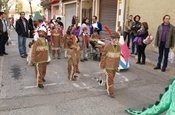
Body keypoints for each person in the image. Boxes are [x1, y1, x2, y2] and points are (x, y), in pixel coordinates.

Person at [100, 32, 121, 98]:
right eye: (113, 39)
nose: (115, 41)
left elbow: (118, 57)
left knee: (111, 78)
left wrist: (118, 66)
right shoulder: (107, 47)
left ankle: (107, 84)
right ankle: (111, 92)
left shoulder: (119, 47)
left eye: (116, 39)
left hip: (114, 66)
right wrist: (102, 65)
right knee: (110, 79)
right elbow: (103, 56)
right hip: (108, 66)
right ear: (111, 39)